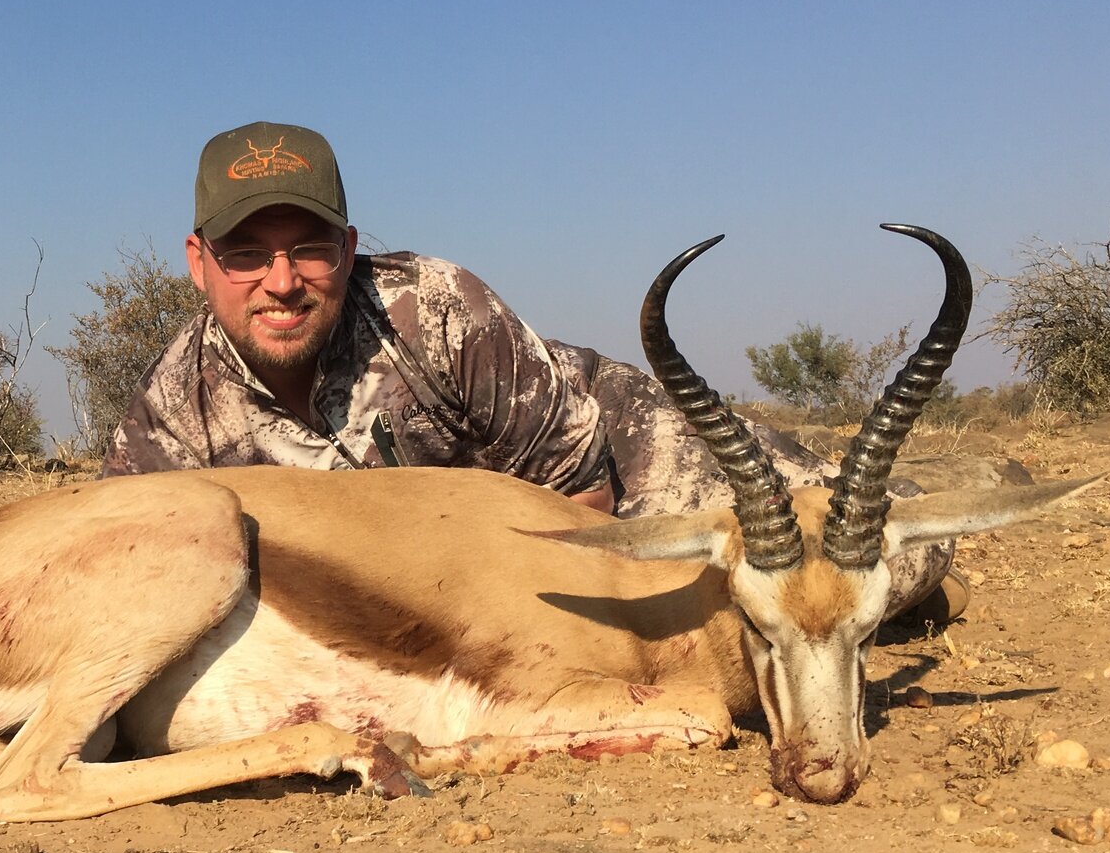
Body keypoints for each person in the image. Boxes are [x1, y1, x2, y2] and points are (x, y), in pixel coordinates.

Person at [101, 120, 955, 618]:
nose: (281, 283)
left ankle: (942, 493)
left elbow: (582, 496)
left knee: (845, 566)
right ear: (197, 260)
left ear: (349, 249)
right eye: (247, 254)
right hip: (469, 558)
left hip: (615, 463)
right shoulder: (172, 417)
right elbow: (116, 573)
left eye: (310, 251)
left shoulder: (433, 306)